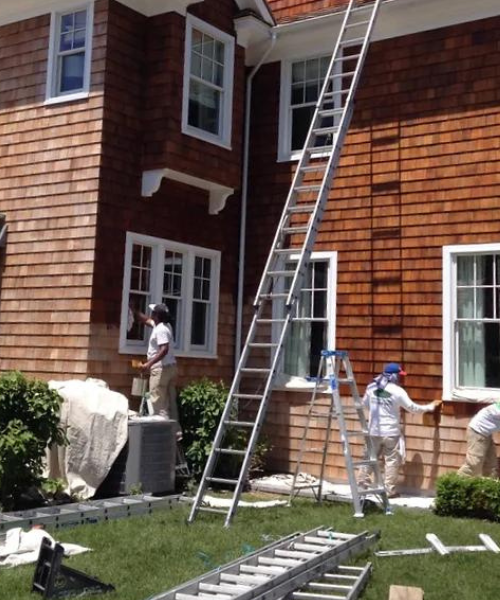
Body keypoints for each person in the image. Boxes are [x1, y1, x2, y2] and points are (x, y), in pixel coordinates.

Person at [357, 362, 440, 498]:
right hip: (391, 432)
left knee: (369, 458)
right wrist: (429, 407)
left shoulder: (372, 386)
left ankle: (361, 484)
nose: (401, 378)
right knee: (391, 461)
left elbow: (365, 404)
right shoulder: (398, 391)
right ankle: (389, 491)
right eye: (399, 376)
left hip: (373, 431)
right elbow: (412, 408)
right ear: (394, 376)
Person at [133, 303, 182, 440]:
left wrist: (149, 364)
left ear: (157, 315)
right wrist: (134, 311)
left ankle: (163, 435)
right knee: (171, 402)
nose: (151, 315)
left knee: (158, 404)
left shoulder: (160, 330)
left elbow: (164, 349)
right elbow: (147, 321)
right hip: (171, 368)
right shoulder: (165, 326)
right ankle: (176, 432)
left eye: (153, 313)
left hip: (161, 370)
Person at [458, 402, 500, 478]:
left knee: (491, 465)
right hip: (477, 431)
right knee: (474, 464)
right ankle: (454, 487)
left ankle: (488, 488)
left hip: (486, 433)